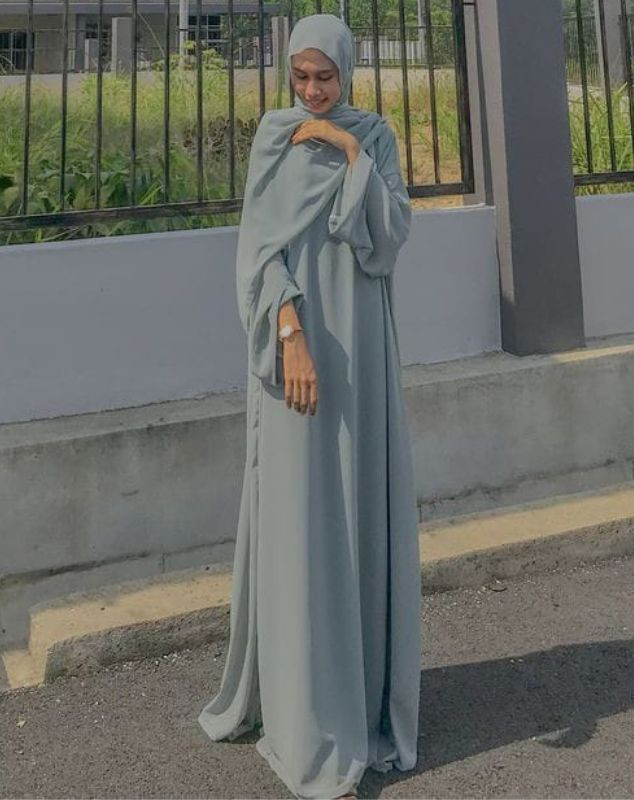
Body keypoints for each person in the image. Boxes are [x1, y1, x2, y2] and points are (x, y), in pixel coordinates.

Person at [197, 13, 421, 799]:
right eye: (301, 76)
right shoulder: (274, 138)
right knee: (301, 519)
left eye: (325, 77)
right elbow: (258, 250)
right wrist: (289, 331)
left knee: (357, 511)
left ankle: (358, 703)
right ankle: (302, 717)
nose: (314, 90)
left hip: (363, 349)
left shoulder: (374, 136)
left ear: (347, 71)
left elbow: (388, 241)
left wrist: (352, 155)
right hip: (296, 350)